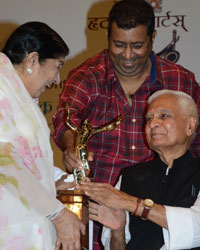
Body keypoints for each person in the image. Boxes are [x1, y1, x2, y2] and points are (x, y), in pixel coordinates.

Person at [52, 0, 200, 249]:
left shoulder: (179, 80)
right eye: (119, 45)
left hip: (167, 217)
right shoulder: (87, 77)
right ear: (108, 37)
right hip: (99, 215)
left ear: (153, 38)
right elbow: (67, 121)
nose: (128, 55)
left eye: (137, 45)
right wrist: (72, 148)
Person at [78, 89, 200, 250]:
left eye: (164, 116)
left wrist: (131, 203)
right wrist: (118, 230)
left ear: (190, 125)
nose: (152, 124)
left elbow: (196, 227)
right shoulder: (130, 176)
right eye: (149, 118)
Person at [0, 21, 85, 250]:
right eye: (57, 66)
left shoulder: (18, 94)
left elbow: (25, 157)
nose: (57, 79)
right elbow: (4, 162)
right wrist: (59, 215)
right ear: (32, 61)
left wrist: (57, 178)